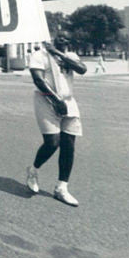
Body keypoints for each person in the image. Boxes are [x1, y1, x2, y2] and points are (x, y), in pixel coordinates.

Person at [26, 34, 87, 206]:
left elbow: (82, 69)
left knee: (69, 144)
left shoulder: (70, 56)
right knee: (52, 142)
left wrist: (59, 54)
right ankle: (33, 170)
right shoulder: (40, 55)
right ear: (53, 39)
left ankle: (61, 187)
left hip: (68, 101)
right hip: (46, 100)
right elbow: (38, 80)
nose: (63, 41)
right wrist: (55, 100)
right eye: (60, 38)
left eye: (67, 40)